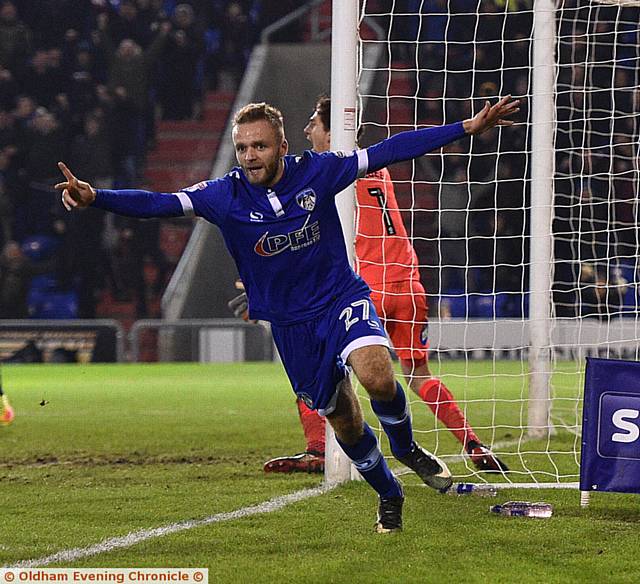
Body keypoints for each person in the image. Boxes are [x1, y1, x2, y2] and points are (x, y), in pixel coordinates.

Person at [57, 96, 518, 533]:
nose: (250, 155)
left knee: (378, 375)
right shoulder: (224, 195)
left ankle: (405, 446)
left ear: (281, 145)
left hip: (340, 297)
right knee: (346, 422)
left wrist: (467, 127)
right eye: (242, 148)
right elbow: (159, 203)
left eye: (259, 145)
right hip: (292, 325)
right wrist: (96, 196)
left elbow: (388, 151)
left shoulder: (317, 172)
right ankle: (388, 490)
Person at [241, 96, 506, 476]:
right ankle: (473, 443)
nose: (306, 130)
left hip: (364, 288)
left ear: (333, 133)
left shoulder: (328, 176)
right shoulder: (375, 168)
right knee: (419, 375)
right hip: (409, 284)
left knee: (313, 364)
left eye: (314, 123)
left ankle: (319, 450)